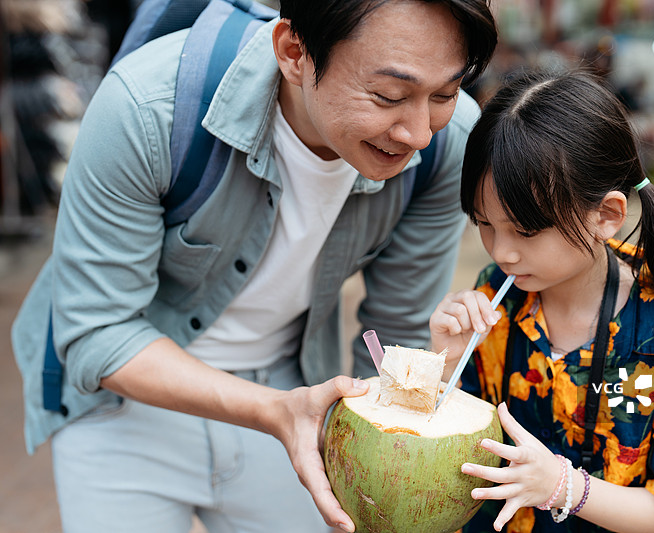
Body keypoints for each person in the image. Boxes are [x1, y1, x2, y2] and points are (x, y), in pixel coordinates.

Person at [11, 1, 497, 532]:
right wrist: (274, 411)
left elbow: (395, 329)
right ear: (294, 52)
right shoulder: (149, 108)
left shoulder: (449, 145)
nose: (419, 133)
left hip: (293, 392)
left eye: (445, 94)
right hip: (121, 405)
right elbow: (97, 331)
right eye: (388, 96)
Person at [429, 69, 654, 533]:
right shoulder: (497, 292)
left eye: (525, 230)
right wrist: (445, 364)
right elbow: (453, 444)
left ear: (606, 215)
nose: (501, 252)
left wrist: (564, 486)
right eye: (484, 223)